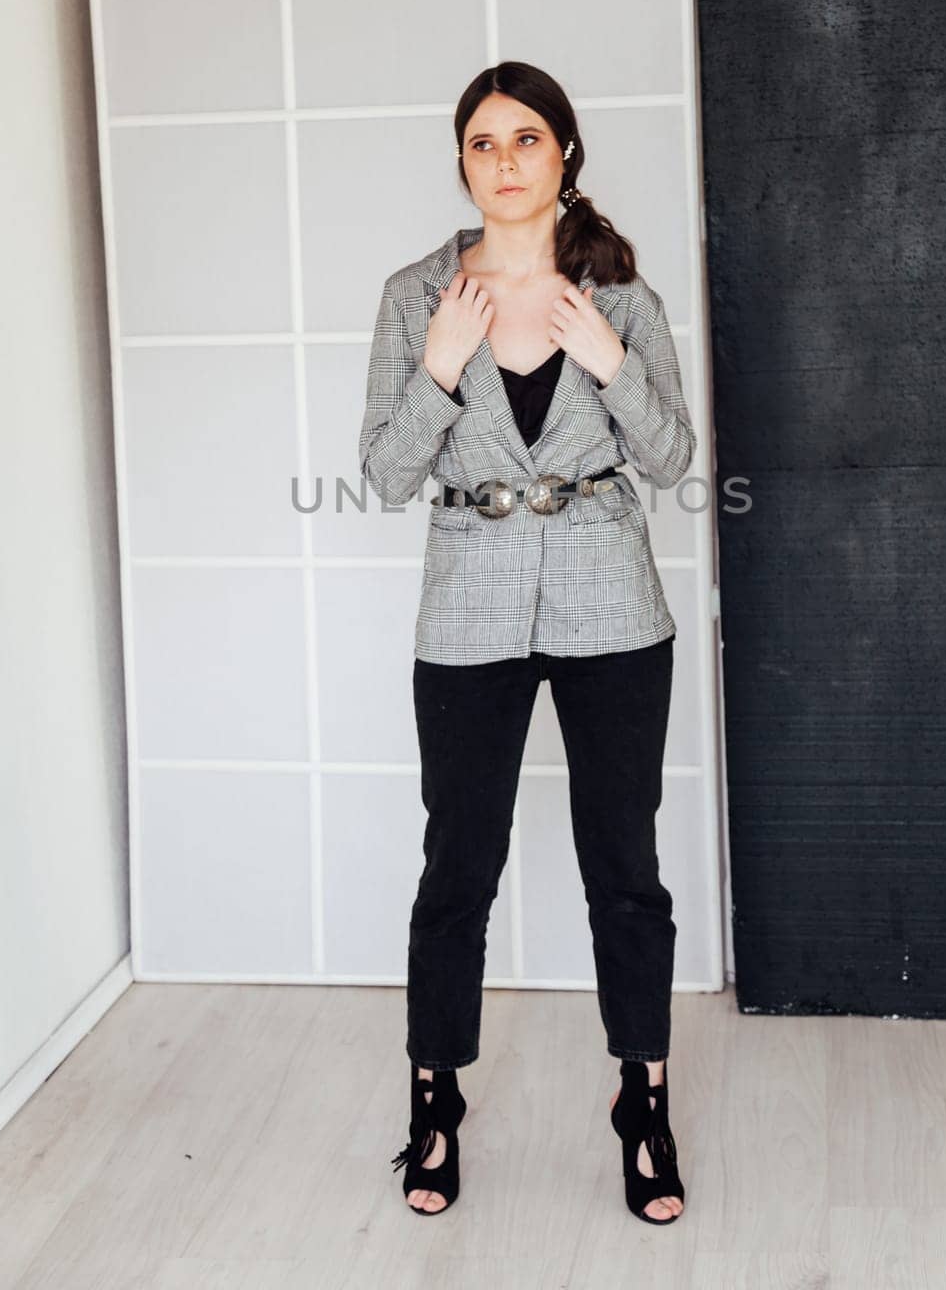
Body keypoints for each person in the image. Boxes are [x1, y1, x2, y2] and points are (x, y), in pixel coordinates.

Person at [357, 60, 696, 1224]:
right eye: (482, 143)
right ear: (462, 163)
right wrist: (440, 367)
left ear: (564, 156)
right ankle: (432, 1098)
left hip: (611, 605)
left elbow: (671, 460)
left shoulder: (618, 295)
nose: (503, 161)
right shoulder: (414, 296)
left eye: (526, 139)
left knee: (625, 870)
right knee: (458, 868)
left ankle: (640, 1100)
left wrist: (604, 359)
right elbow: (386, 473)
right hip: (468, 609)